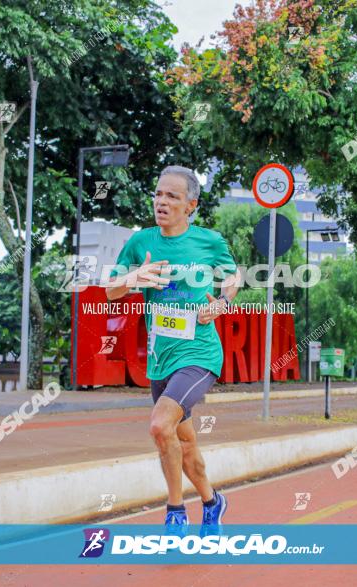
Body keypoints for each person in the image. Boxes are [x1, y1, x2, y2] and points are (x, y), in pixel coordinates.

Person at [105, 165, 239, 536]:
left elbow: (233, 277)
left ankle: (175, 510)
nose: (161, 202)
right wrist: (133, 279)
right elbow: (110, 290)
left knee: (159, 424)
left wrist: (223, 303)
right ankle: (213, 502)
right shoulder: (140, 242)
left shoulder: (209, 241)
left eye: (172, 197)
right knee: (182, 440)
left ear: (190, 205)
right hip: (160, 358)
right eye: (158, 194)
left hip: (199, 353)